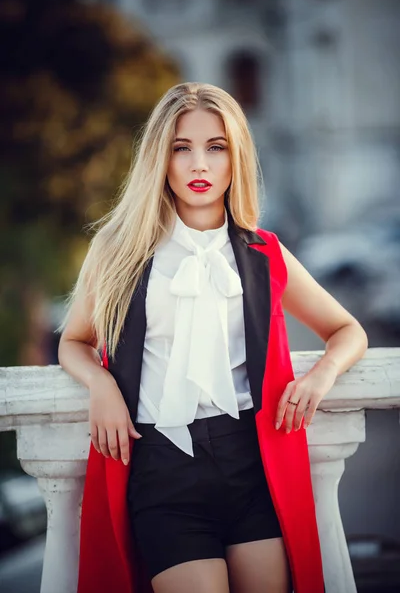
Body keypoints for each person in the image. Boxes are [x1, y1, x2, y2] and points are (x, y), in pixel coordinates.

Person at [58, 82, 368, 593]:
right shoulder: (118, 250)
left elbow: (347, 330)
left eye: (215, 147)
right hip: (162, 468)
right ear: (161, 157)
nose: (199, 165)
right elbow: (74, 342)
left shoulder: (263, 252)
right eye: (182, 148)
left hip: (249, 464)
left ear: (235, 157)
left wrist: (322, 375)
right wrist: (101, 385)